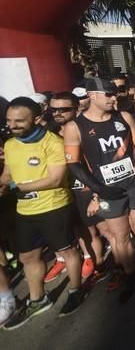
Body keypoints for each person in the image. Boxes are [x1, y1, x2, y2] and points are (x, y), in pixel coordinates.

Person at [63, 78, 135, 302]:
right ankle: (130, 275)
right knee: (119, 236)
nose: (114, 98)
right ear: (92, 95)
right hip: (107, 190)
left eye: (115, 94)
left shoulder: (123, 117)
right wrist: (99, 189)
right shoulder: (74, 127)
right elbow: (73, 164)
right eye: (109, 95)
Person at [1, 98, 87, 329]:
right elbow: (8, 174)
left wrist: (15, 187)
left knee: (67, 251)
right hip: (24, 210)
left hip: (54, 206)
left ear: (37, 119)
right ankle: (37, 299)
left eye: (19, 121)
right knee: (28, 257)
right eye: (9, 121)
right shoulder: (10, 144)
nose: (13, 125)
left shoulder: (53, 142)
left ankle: (76, 289)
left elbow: (56, 178)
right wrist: (2, 184)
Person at [45, 92, 111, 284]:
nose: (58, 113)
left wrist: (96, 193)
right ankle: (93, 261)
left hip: (89, 187)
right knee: (84, 232)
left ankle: (116, 264)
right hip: (66, 191)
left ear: (76, 108)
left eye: (63, 109)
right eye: (53, 110)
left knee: (106, 230)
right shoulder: (49, 132)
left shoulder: (86, 127)